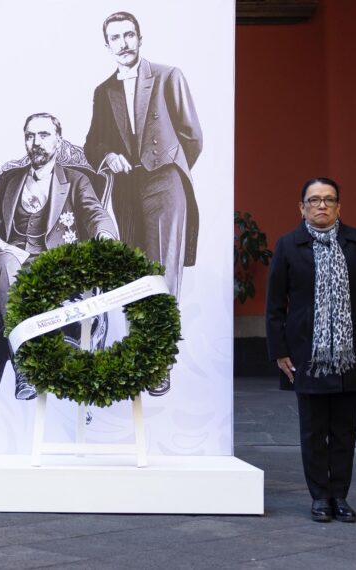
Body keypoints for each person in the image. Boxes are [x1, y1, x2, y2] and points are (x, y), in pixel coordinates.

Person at [0, 112, 117, 445]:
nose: (37, 143)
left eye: (44, 135)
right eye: (30, 136)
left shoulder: (75, 180)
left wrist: (105, 234)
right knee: (4, 265)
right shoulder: (10, 180)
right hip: (9, 261)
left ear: (57, 140)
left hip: (52, 271)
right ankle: (28, 366)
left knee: (0, 311)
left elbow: (95, 213)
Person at [83, 11, 202, 397]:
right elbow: (92, 144)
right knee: (136, 272)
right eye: (115, 37)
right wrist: (108, 158)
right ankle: (142, 352)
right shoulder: (104, 91)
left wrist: (169, 169)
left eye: (129, 35)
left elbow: (192, 136)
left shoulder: (169, 76)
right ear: (107, 46)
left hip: (164, 184)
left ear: (140, 37)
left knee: (163, 273)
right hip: (126, 190)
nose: (124, 43)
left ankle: (160, 359)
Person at [266, 177, 356, 524]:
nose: (322, 206)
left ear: (339, 207)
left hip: (352, 352)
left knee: (346, 429)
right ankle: (320, 496)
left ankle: (340, 495)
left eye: (329, 200)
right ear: (301, 207)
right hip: (307, 354)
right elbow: (275, 305)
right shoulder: (289, 245)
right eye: (314, 200)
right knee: (314, 430)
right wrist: (280, 351)